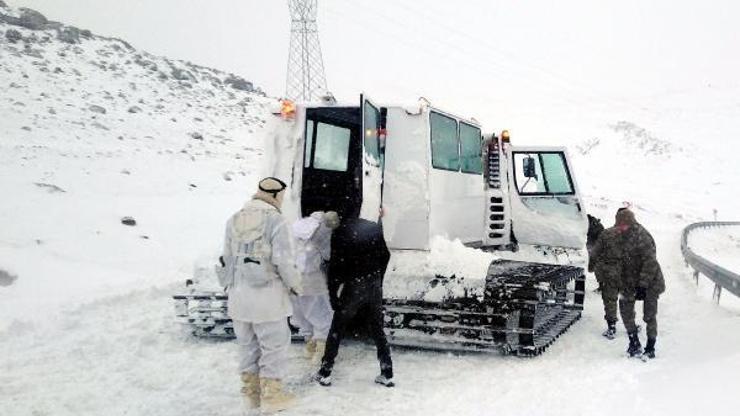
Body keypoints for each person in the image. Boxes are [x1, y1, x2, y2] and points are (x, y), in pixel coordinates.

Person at [219, 177, 302, 413]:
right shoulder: (276, 222)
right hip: (268, 299)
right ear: (277, 195)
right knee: (274, 346)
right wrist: (296, 285)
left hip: (238, 298)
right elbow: (284, 262)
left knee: (247, 346)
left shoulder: (233, 219)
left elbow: (226, 259)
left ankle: (250, 396)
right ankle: (272, 397)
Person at [314, 214, 394, 387]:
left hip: (354, 286)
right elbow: (386, 255)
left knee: (337, 327)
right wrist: (378, 279)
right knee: (377, 328)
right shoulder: (372, 226)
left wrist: (333, 295)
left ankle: (325, 371)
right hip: (374, 283)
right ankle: (387, 372)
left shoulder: (340, 232)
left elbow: (335, 267)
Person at [291, 210, 340, 364]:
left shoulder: (297, 225)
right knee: (321, 311)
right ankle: (320, 349)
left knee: (301, 311)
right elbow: (327, 254)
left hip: (294, 276)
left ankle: (309, 344)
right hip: (312, 277)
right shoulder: (324, 229)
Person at [616, 208, 665, 358]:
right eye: (619, 224)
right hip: (630, 281)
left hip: (650, 281)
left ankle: (650, 347)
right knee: (625, 309)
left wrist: (643, 284)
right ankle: (634, 342)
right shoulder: (620, 235)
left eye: (623, 224)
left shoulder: (642, 236)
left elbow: (650, 262)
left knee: (649, 315)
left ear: (630, 223)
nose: (620, 227)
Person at [588, 212, 626, 339]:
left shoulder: (606, 233)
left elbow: (595, 252)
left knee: (610, 300)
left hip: (608, 272)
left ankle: (612, 327)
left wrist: (591, 266)